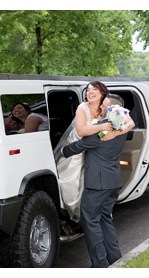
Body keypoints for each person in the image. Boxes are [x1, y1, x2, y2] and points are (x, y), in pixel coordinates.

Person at [61, 94, 130, 267]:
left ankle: (99, 264)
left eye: (104, 104)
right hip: (113, 181)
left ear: (111, 108)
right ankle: (115, 258)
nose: (100, 107)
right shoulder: (121, 126)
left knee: (90, 221)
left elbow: (81, 146)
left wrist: (62, 151)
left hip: (98, 183)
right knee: (105, 218)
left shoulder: (102, 129)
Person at [54, 81, 119, 224]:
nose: (90, 92)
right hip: (75, 152)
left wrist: (112, 134)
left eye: (94, 89)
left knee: (87, 184)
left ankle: (89, 216)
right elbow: (81, 131)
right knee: (71, 185)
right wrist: (102, 126)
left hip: (91, 151)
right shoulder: (82, 108)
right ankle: (73, 215)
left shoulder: (107, 108)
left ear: (102, 93)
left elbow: (125, 124)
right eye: (88, 89)